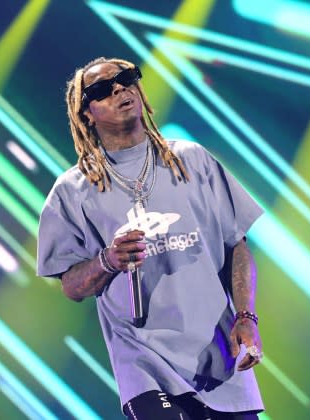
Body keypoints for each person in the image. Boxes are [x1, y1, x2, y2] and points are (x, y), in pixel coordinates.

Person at [37, 57, 265, 419]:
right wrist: (107, 261)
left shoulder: (192, 160)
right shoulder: (73, 190)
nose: (118, 89)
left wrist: (246, 316)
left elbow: (237, 245)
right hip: (144, 366)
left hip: (218, 357)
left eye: (125, 78)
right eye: (100, 90)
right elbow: (72, 286)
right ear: (86, 115)